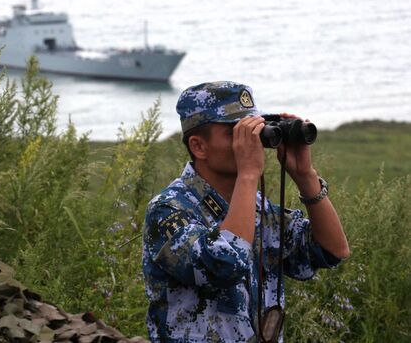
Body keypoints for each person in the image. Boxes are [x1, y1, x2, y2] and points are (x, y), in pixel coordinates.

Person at [142, 81, 349, 342]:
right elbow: (225, 264)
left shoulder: (257, 208)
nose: (250, 142)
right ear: (199, 147)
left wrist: (305, 176)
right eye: (236, 133)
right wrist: (249, 174)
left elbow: (331, 251)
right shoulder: (169, 210)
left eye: (254, 130)